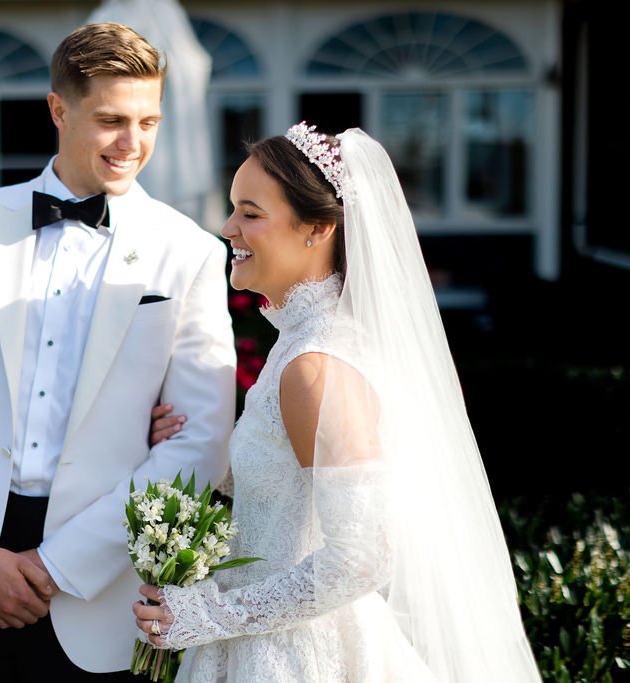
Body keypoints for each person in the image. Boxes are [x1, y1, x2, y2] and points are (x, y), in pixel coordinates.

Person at [0, 22, 237, 681]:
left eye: (149, 121)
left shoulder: (189, 252)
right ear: (58, 109)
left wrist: (55, 565)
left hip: (96, 589)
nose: (132, 144)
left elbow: (201, 441)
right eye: (110, 120)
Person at [133, 123, 543, 681]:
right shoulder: (300, 346)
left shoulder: (314, 365)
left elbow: (362, 556)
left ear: (318, 228)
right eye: (233, 210)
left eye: (250, 213)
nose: (228, 228)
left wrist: (209, 615)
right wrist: (188, 447)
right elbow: (290, 492)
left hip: (297, 655)